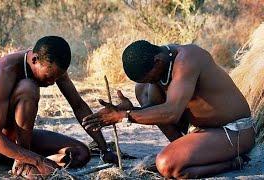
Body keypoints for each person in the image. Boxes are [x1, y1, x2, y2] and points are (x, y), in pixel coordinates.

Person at [82, 40, 255, 178]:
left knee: (167, 165)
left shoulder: (188, 59)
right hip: (205, 131)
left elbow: (171, 113)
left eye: (150, 78)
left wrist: (124, 116)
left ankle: (233, 162)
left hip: (234, 131)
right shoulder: (163, 61)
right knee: (141, 90)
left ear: (157, 62)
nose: (151, 82)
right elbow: (155, 109)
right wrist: (129, 109)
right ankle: (184, 152)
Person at [0, 36, 116, 178]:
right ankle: (25, 163)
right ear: (35, 60)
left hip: (15, 140)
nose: (52, 83)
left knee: (80, 153)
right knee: (28, 88)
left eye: (56, 78)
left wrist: (104, 149)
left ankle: (26, 161)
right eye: (49, 77)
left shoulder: (53, 65)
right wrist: (37, 160)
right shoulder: (6, 70)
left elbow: (78, 105)